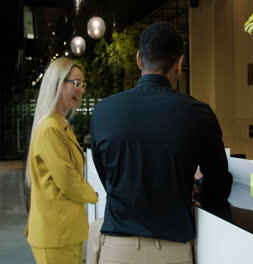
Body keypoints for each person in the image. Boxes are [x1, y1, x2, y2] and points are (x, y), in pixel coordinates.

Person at [89, 22, 233, 264]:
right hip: (172, 250)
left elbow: (108, 179)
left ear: (138, 59)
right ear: (179, 63)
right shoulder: (198, 114)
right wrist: (196, 186)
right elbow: (219, 187)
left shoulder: (104, 111)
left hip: (117, 248)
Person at [24, 57, 99, 264]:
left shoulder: (59, 124)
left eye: (83, 84)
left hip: (63, 230)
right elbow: (67, 180)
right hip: (56, 232)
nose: (81, 90)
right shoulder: (50, 128)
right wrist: (96, 195)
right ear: (57, 84)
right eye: (76, 83)